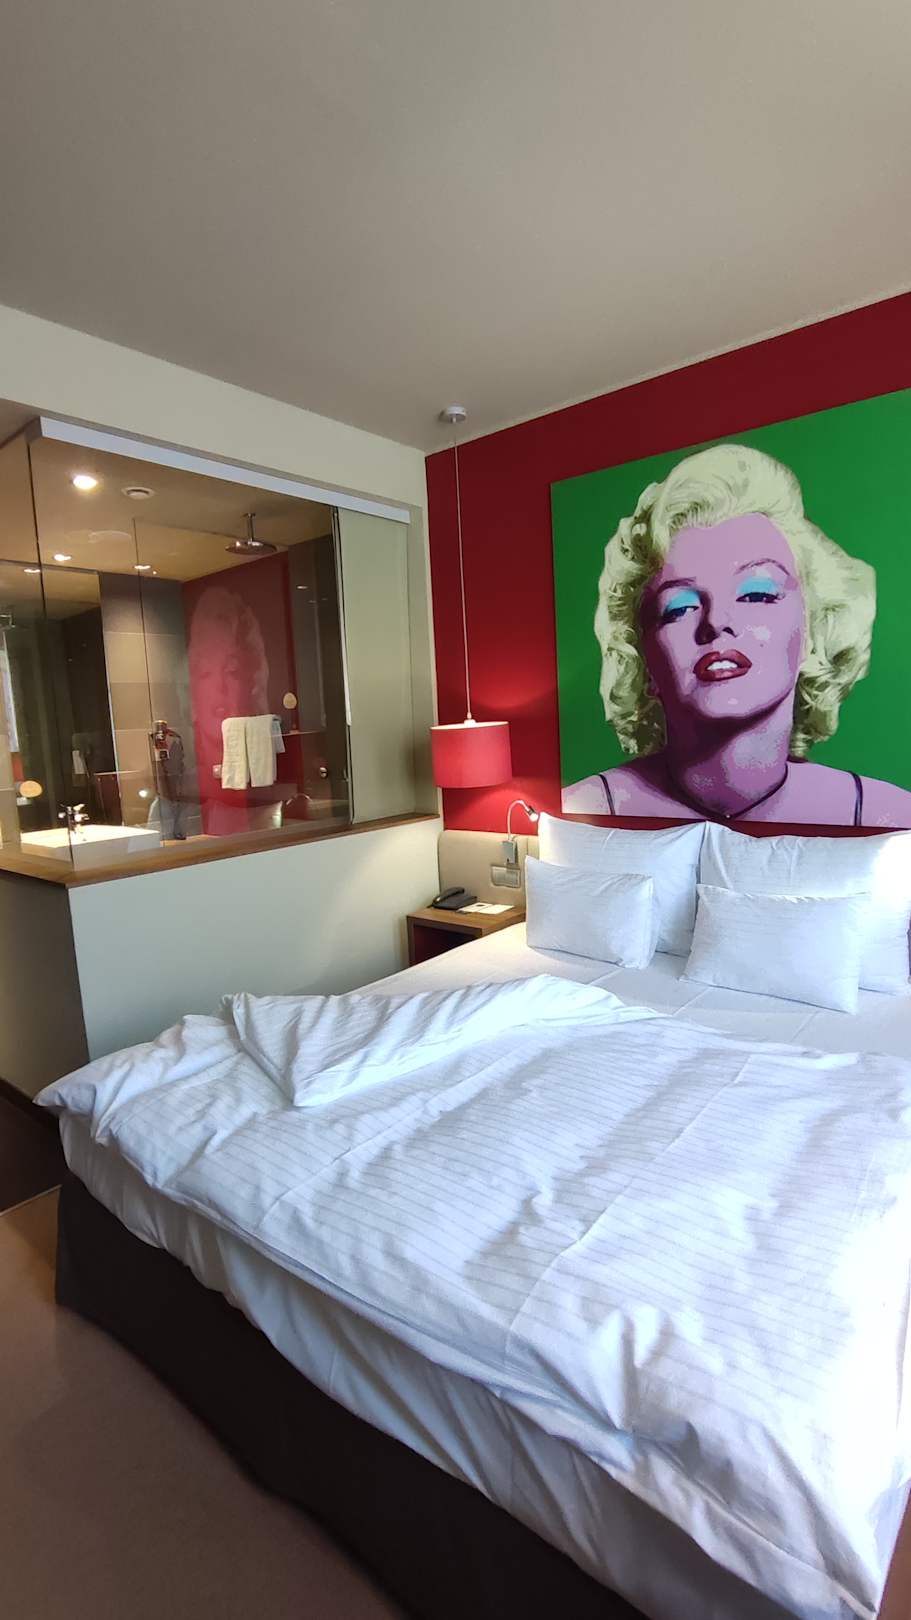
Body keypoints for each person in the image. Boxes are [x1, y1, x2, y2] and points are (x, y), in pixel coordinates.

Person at [563, 444, 911, 827]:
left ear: (813, 632)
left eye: (756, 593)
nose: (717, 621)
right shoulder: (582, 809)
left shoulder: (887, 814)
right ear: (644, 662)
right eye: (679, 607)